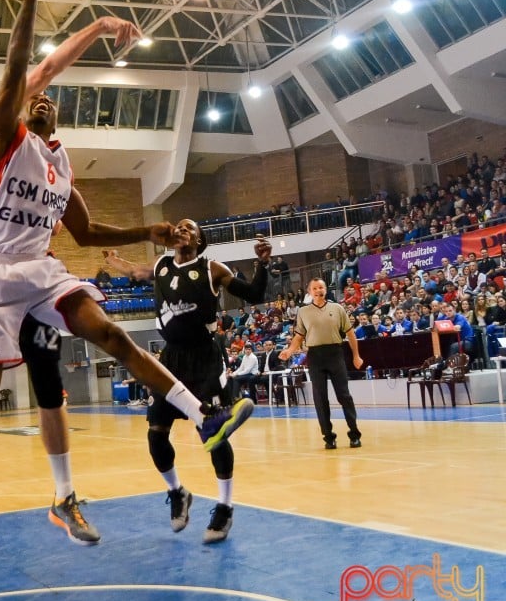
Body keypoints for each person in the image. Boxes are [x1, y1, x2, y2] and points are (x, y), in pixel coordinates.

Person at [0, 0, 252, 548]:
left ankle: (207, 416)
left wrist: (148, 230)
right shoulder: (2, 143)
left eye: (48, 101)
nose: (42, 98)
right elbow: (20, 65)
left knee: (112, 334)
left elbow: (88, 234)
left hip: (41, 270)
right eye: (33, 99)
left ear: (57, 120)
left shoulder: (61, 167)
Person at [0, 9, 163, 562]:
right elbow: (32, 70)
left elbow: (46, 67)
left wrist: (97, 27)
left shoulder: (36, 155)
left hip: (29, 282)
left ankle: (65, 495)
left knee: (48, 385)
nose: (33, 92)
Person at [104, 222, 271, 543]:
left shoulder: (212, 269)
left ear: (198, 239)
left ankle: (225, 506)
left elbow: (253, 294)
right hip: (171, 359)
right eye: (178, 225)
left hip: (205, 358)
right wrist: (113, 259)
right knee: (155, 434)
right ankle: (177, 492)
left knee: (213, 434)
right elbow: (135, 271)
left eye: (189, 227)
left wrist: (262, 264)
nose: (181, 228)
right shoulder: (161, 265)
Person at [280, 278, 363, 449]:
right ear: (309, 292)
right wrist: (289, 350)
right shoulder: (303, 312)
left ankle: (354, 433)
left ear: (326, 289)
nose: (318, 290)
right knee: (320, 398)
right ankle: (328, 437)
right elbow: (299, 336)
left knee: (344, 395)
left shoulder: (337, 308)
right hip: (315, 356)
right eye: (315, 288)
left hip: (335, 353)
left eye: (321, 287)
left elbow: (350, 334)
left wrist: (356, 356)